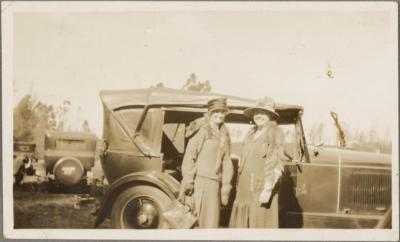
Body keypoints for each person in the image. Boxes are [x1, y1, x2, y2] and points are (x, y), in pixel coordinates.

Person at [229, 97, 286, 228]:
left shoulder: (275, 132)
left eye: (263, 113)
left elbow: (277, 163)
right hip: (244, 189)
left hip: (260, 189)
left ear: (271, 116)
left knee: (258, 225)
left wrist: (268, 189)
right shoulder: (251, 133)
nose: (259, 116)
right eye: (256, 112)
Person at [179, 97, 234, 228]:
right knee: (195, 222)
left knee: (211, 223)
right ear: (209, 112)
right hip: (199, 184)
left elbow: (227, 161)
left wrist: (226, 185)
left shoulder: (224, 134)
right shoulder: (202, 130)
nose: (220, 115)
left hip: (215, 185)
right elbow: (190, 156)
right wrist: (189, 181)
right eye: (217, 111)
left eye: (223, 112)